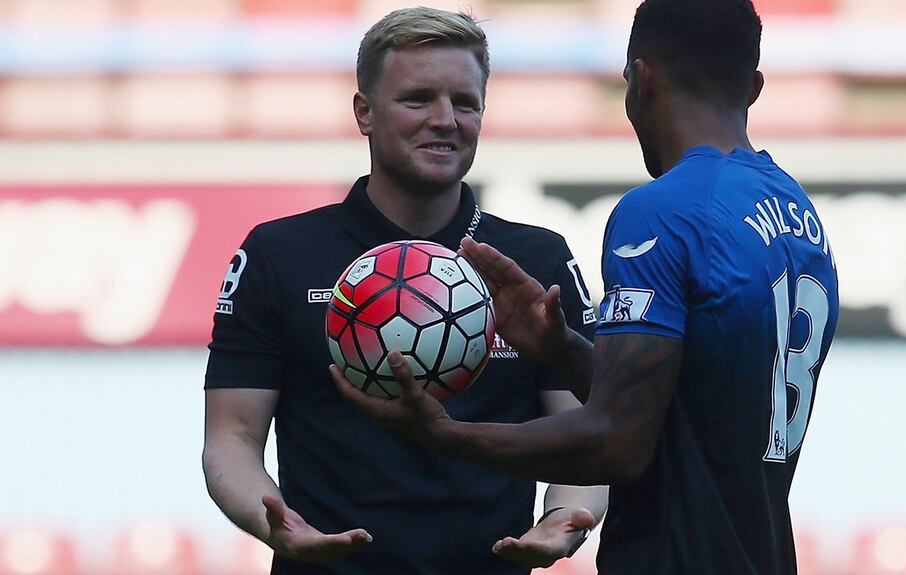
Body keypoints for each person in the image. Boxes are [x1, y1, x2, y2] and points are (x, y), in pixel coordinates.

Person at [332, 0, 841, 574]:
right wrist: (560, 349)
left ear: (639, 79)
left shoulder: (662, 212)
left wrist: (448, 435)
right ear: (753, 86)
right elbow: (677, 409)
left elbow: (618, 442)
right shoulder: (796, 213)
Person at [202, 7, 607, 575]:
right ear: (364, 113)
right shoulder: (278, 254)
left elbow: (589, 429)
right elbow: (232, 437)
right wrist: (274, 521)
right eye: (418, 99)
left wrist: (567, 513)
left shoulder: (536, 259)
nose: (445, 119)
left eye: (464, 103)